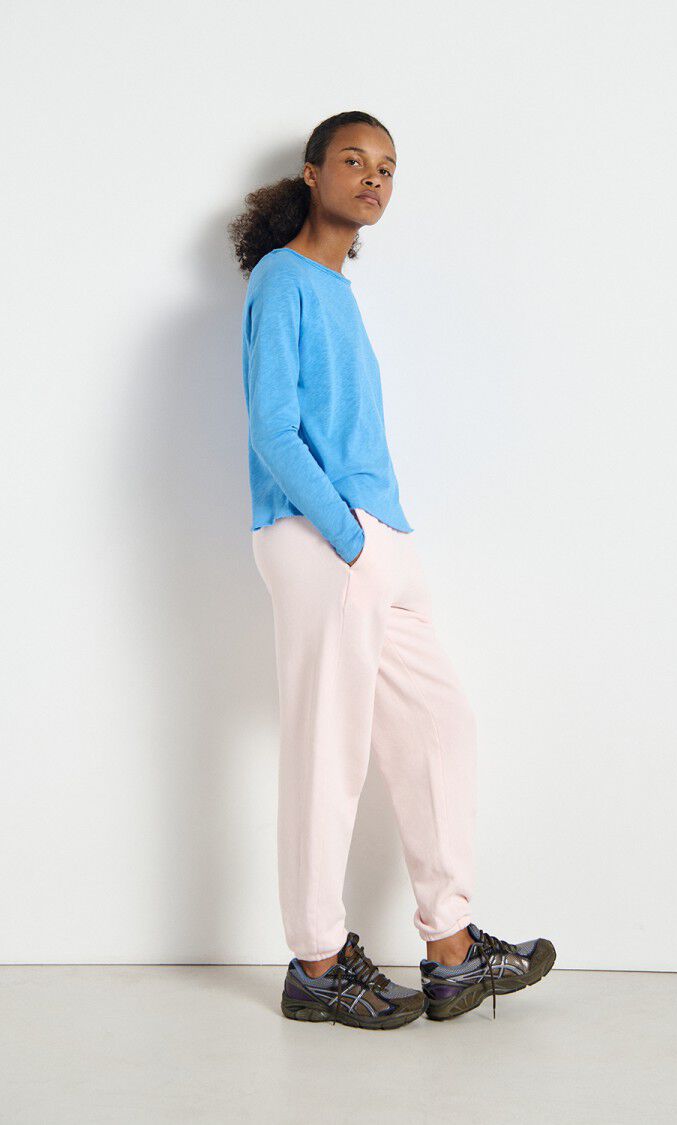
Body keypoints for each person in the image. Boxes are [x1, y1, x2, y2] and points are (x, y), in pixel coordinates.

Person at [228, 111, 555, 1029]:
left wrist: (377, 540)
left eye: (387, 167)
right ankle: (315, 961)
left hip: (378, 539)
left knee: (439, 723)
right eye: (354, 160)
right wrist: (347, 535)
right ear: (311, 173)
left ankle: (451, 949)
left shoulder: (339, 290)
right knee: (327, 751)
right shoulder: (282, 279)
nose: (374, 178)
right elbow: (272, 427)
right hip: (322, 536)